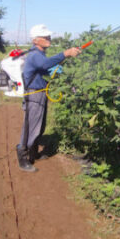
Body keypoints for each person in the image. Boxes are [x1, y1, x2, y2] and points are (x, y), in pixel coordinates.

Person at [16, 24, 81, 172]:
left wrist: (51, 71)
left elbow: (44, 67)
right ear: (36, 40)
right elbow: (45, 64)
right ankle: (23, 159)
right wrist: (66, 53)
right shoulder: (35, 55)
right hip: (33, 95)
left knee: (39, 126)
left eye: (48, 36)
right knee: (30, 128)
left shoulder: (40, 54)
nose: (48, 38)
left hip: (39, 93)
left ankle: (33, 154)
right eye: (45, 37)